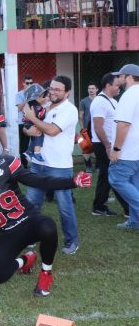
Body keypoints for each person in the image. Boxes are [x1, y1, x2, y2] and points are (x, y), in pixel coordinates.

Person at [0, 138, 91, 296]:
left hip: (29, 221)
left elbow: (38, 181)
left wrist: (73, 181)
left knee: (48, 227)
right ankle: (26, 260)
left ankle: (46, 274)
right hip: (8, 233)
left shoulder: (4, 163)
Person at [23, 76, 81, 255]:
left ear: (67, 93)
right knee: (32, 203)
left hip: (59, 166)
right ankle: (30, 237)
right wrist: (28, 128)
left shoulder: (70, 110)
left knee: (65, 206)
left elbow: (52, 131)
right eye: (52, 88)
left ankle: (72, 241)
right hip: (39, 164)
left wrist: (32, 118)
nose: (53, 92)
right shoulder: (45, 106)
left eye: (58, 89)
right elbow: (27, 128)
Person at [109, 64, 139, 231]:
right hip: (136, 150)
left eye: (120, 76)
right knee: (135, 185)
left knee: (117, 180)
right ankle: (135, 222)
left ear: (128, 77)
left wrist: (117, 149)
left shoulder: (129, 95)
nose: (117, 79)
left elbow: (124, 124)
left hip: (127, 151)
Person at [89, 73, 124, 217]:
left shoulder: (113, 101)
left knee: (109, 174)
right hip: (103, 144)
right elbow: (98, 127)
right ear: (108, 85)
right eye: (117, 85)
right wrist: (108, 146)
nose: (119, 88)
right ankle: (100, 206)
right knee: (109, 174)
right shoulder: (99, 102)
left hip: (110, 143)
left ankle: (100, 205)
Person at [15, 75, 34, 166]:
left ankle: (35, 165)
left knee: (36, 143)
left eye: (31, 83)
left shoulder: (35, 93)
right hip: (23, 122)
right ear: (23, 83)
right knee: (23, 145)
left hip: (34, 122)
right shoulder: (19, 94)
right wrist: (27, 98)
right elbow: (19, 108)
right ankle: (24, 166)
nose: (29, 85)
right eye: (27, 83)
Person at [78, 83, 98, 173]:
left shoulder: (100, 100)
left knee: (99, 148)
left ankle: (98, 166)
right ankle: (88, 166)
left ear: (97, 89)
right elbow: (81, 115)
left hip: (98, 128)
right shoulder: (83, 101)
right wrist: (82, 128)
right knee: (86, 148)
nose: (91, 90)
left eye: (93, 88)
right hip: (87, 129)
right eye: (89, 88)